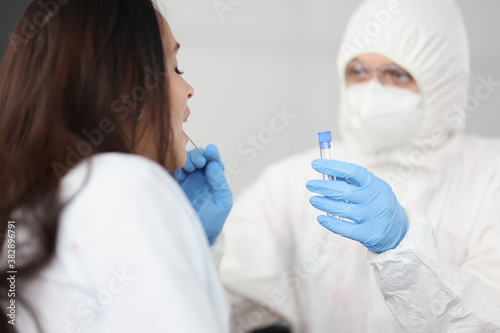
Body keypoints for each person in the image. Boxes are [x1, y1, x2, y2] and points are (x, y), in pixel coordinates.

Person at [220, 0, 500, 332]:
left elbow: (487, 317)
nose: (372, 92)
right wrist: (203, 246)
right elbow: (230, 299)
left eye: (397, 74)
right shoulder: (293, 181)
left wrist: (403, 250)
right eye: (359, 72)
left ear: (445, 84)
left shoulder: (490, 175)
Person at [0, 0, 232, 332]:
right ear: (123, 83)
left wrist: (187, 238)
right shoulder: (121, 184)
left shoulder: (26, 212)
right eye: (174, 68)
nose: (189, 90)